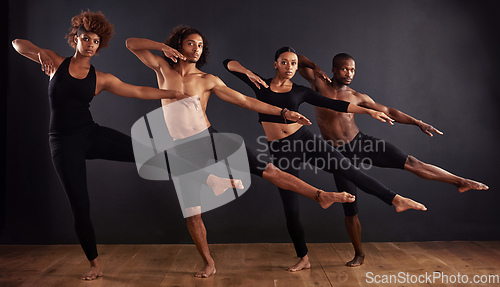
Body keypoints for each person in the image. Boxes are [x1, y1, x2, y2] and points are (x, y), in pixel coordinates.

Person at [11, 11, 243, 281]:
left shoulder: (101, 79)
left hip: (90, 134)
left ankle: (212, 179)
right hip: (62, 144)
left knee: (151, 153)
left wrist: (173, 93)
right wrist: (38, 53)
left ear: (99, 46)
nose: (90, 44)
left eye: (96, 41)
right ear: (75, 38)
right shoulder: (56, 62)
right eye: (86, 39)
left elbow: (139, 91)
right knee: (79, 205)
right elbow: (17, 43)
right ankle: (95, 264)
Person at [126, 27, 356, 278]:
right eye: (191, 44)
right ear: (179, 45)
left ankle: (320, 195)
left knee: (268, 170)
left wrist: (283, 112)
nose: (196, 49)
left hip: (209, 138)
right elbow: (131, 43)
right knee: (192, 214)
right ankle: (208, 262)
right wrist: (162, 46)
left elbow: (245, 101)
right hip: (181, 149)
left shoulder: (207, 80)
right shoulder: (162, 68)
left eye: (200, 45)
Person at [223, 46, 427, 272]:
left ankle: (395, 199)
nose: (289, 67)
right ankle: (303, 257)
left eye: (293, 63)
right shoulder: (259, 83)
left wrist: (367, 111)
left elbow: (335, 104)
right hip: (281, 151)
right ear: (275, 64)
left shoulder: (300, 90)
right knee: (291, 208)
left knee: (350, 171)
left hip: (306, 141)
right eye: (284, 62)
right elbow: (228, 63)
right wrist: (247, 72)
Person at [297, 52, 489, 267]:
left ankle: (459, 181)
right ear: (333, 69)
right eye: (344, 69)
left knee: (413, 163)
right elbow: (294, 56)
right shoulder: (318, 85)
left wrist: (418, 122)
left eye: (352, 69)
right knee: (350, 207)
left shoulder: (358, 96)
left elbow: (388, 110)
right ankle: (359, 253)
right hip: (339, 154)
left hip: (362, 143)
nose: (349, 73)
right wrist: (314, 65)